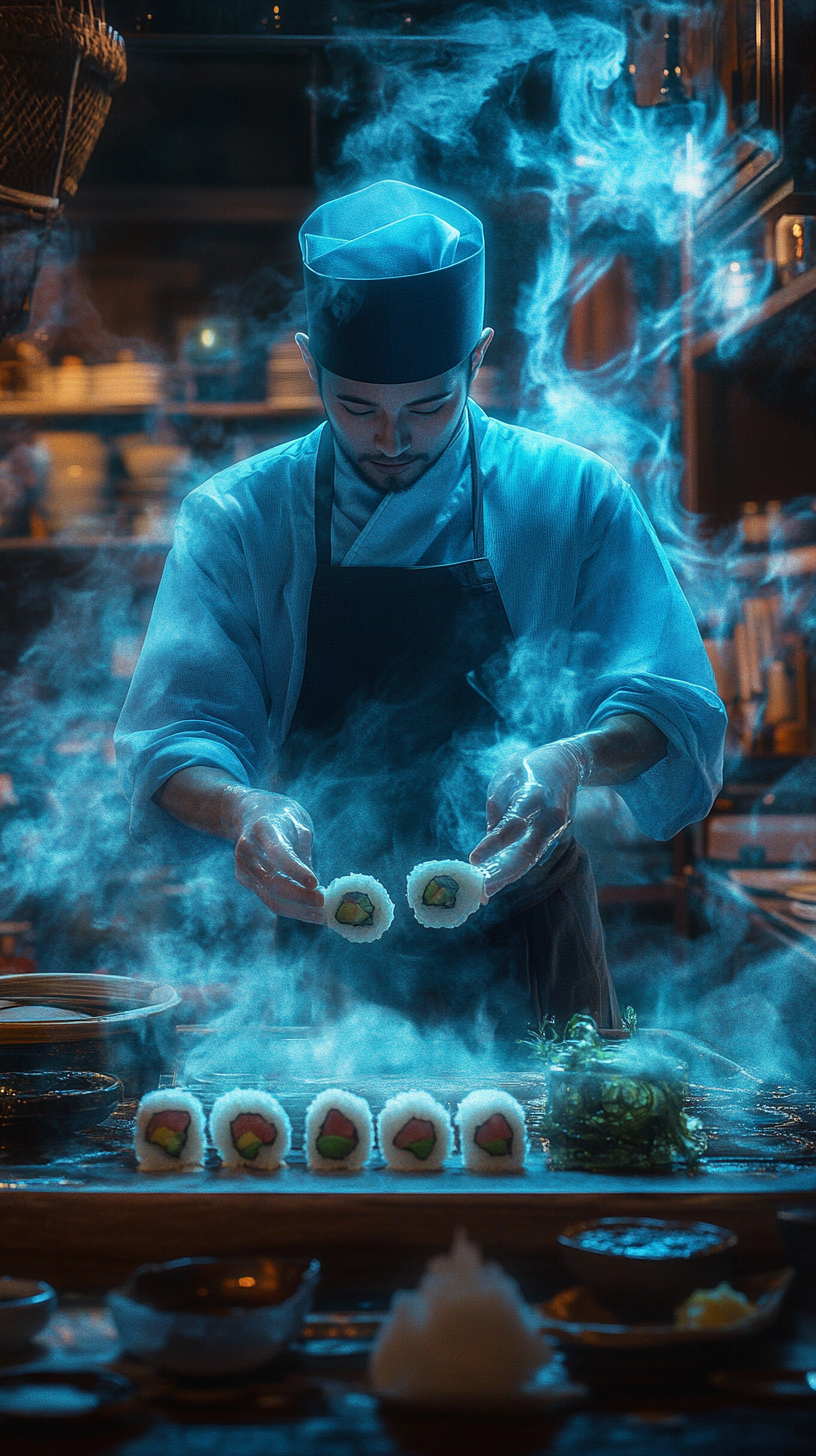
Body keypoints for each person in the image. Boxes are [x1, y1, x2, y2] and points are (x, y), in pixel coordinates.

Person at [115, 180, 726, 1039]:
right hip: (326, 934)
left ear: (476, 360)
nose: (393, 440)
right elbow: (172, 738)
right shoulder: (238, 519)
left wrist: (571, 761)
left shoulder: (572, 496)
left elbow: (671, 704)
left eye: (429, 405)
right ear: (309, 362)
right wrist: (243, 810)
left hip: (536, 944)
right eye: (358, 407)